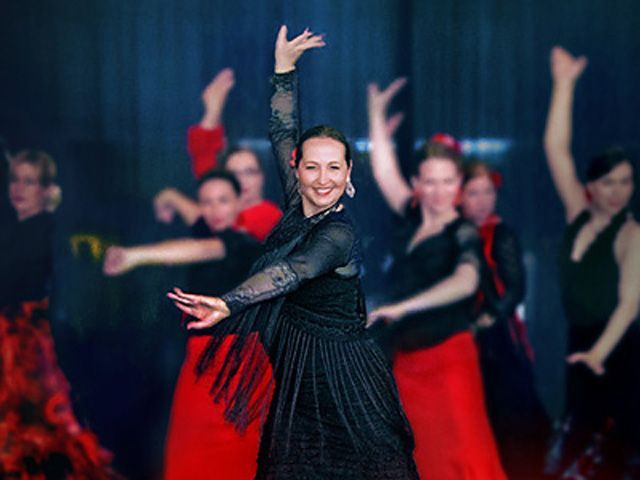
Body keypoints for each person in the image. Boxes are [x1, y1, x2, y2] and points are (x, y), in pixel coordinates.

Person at [167, 26, 418, 479]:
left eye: (334, 168)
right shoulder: (295, 205)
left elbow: (292, 271)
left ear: (349, 173)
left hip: (346, 383)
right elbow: (283, 129)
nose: (323, 179)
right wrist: (283, 70)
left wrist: (229, 302)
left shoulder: (338, 233)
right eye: (312, 167)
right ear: (296, 169)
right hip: (298, 380)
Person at [366, 79, 506, 479]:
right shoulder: (412, 218)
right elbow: (383, 170)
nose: (440, 190)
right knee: (421, 460)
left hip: (449, 360)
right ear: (417, 185)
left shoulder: (462, 231)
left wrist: (402, 307)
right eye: (430, 181)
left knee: (463, 457)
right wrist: (375, 113)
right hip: (408, 363)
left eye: (448, 181)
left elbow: (465, 282)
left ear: (459, 186)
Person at [103, 170, 264, 480]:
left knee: (235, 461)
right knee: (187, 457)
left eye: (223, 201)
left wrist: (133, 256)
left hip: (237, 365)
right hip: (199, 363)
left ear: (239, 203)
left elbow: (204, 248)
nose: (214, 210)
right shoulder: (208, 228)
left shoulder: (245, 244)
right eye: (206, 202)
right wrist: (169, 197)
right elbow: (198, 221)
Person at [542, 46, 640, 479]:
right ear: (592, 186)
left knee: (610, 454)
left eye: (626, 182)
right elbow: (555, 149)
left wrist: (598, 354)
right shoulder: (577, 213)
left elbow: (630, 304)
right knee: (574, 452)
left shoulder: (631, 233)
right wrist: (564, 85)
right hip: (580, 344)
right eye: (610, 183)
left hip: (615, 349)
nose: (619, 192)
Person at [0, 149, 116, 479]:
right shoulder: (16, 229)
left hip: (27, 345)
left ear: (46, 189)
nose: (18, 189)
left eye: (29, 181)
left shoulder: (46, 230)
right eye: (15, 180)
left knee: (36, 433)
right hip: (13, 341)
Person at [460, 158, 550, 479]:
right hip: (457, 337)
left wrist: (485, 320)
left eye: (488, 192)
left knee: (507, 420)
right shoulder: (451, 232)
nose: (483, 201)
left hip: (494, 339)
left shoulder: (500, 234)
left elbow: (515, 289)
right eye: (474, 193)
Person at [154, 69, 282, 242]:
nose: (241, 180)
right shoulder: (219, 196)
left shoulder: (268, 214)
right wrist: (212, 111)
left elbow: (220, 235)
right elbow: (203, 156)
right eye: (233, 174)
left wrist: (173, 197)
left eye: (250, 172)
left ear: (262, 176)